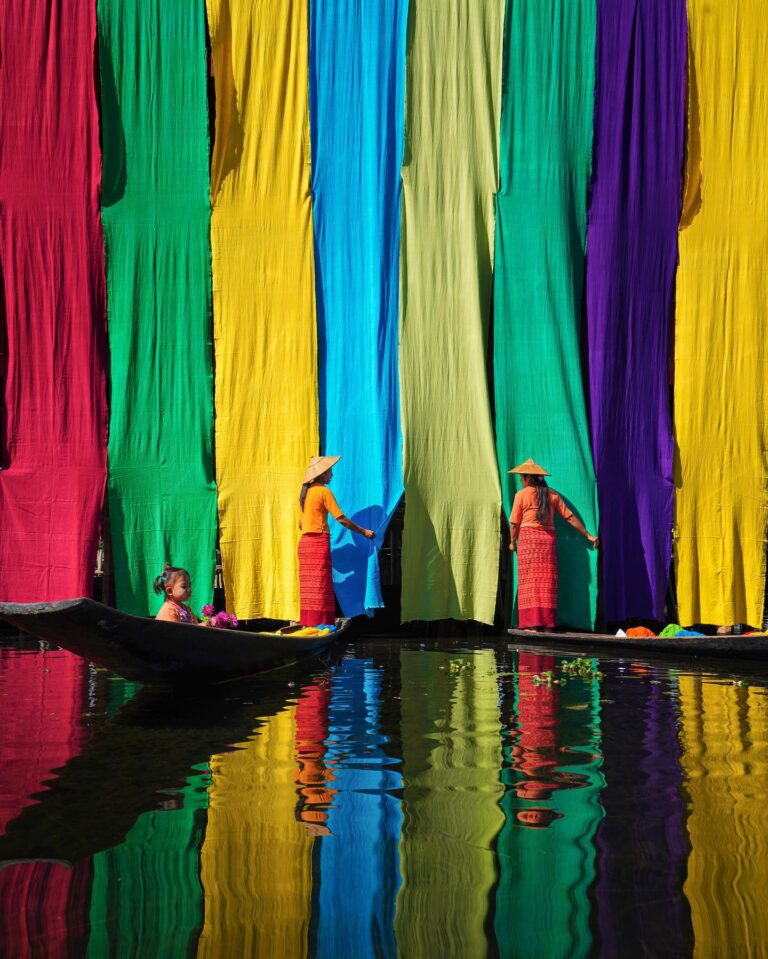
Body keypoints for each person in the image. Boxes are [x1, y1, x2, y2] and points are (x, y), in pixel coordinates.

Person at [508, 459, 598, 630]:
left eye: (522, 477)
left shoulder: (521, 495)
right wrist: (587, 535)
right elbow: (569, 517)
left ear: (528, 477)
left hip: (528, 543)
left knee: (530, 582)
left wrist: (512, 542)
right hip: (547, 543)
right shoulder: (552, 495)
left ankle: (531, 625)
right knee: (547, 582)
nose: (520, 480)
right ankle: (548, 625)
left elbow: (514, 524)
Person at [298, 455, 374, 625]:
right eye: (330, 471)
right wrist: (364, 531)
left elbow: (300, 524)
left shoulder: (305, 495)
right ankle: (321, 624)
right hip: (317, 542)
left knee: (310, 589)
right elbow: (341, 518)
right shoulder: (323, 491)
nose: (332, 475)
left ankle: (309, 623)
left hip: (304, 544)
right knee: (321, 586)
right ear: (322, 474)